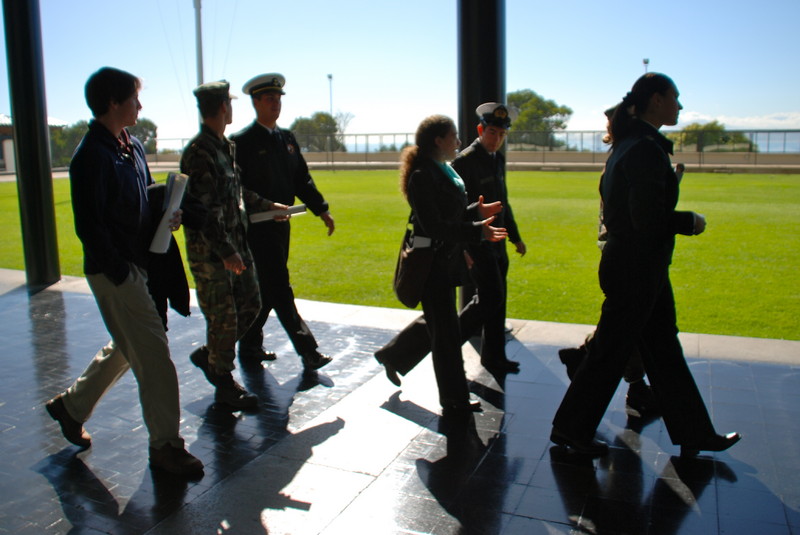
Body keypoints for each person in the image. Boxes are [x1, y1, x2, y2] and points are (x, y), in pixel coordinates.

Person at [550, 73, 740, 457]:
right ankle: (571, 429)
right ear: (656, 100)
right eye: (675, 98)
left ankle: (694, 432)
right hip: (636, 268)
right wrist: (689, 221)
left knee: (662, 350)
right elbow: (646, 219)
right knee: (611, 354)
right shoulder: (644, 149)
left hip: (634, 266)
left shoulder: (630, 145)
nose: (680, 106)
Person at [44, 67, 203, 477]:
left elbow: (143, 195)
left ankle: (71, 407)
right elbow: (90, 226)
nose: (140, 105)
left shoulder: (129, 145)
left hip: (138, 264)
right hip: (116, 272)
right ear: (114, 103)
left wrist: (168, 208)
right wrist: (120, 272)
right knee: (154, 355)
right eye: (134, 97)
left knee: (129, 345)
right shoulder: (90, 156)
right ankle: (166, 446)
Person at [181, 80, 287, 410]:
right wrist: (225, 251)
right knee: (223, 317)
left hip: (236, 247)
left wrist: (269, 206)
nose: (231, 109)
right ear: (223, 107)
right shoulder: (199, 153)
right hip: (213, 255)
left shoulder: (223, 147)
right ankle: (225, 385)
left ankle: (212, 354)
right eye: (230, 103)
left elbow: (237, 195)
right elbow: (202, 211)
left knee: (251, 304)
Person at [395, 114, 507, 414]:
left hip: (444, 262)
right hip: (430, 265)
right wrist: (477, 229)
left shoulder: (442, 170)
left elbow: (451, 215)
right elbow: (435, 226)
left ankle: (399, 360)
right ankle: (454, 400)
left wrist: (475, 210)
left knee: (443, 331)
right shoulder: (423, 175)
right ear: (438, 140)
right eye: (453, 136)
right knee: (445, 336)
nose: (458, 141)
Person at [230, 73, 333, 372]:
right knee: (278, 286)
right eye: (269, 99)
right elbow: (236, 187)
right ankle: (308, 350)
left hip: (281, 224)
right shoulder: (242, 142)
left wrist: (321, 209)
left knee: (266, 289)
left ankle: (249, 345)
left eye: (278, 99)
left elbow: (301, 177)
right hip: (257, 228)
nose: (276, 104)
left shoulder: (286, 139)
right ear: (256, 102)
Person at [451, 102, 526, 372]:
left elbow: (502, 202)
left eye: (502, 135)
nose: (497, 140)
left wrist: (515, 236)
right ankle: (448, 343)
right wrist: (464, 248)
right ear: (481, 130)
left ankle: (494, 357)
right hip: (477, 241)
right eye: (492, 132)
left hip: (498, 241)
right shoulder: (464, 161)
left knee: (497, 298)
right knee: (491, 297)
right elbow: (456, 211)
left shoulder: (498, 160)